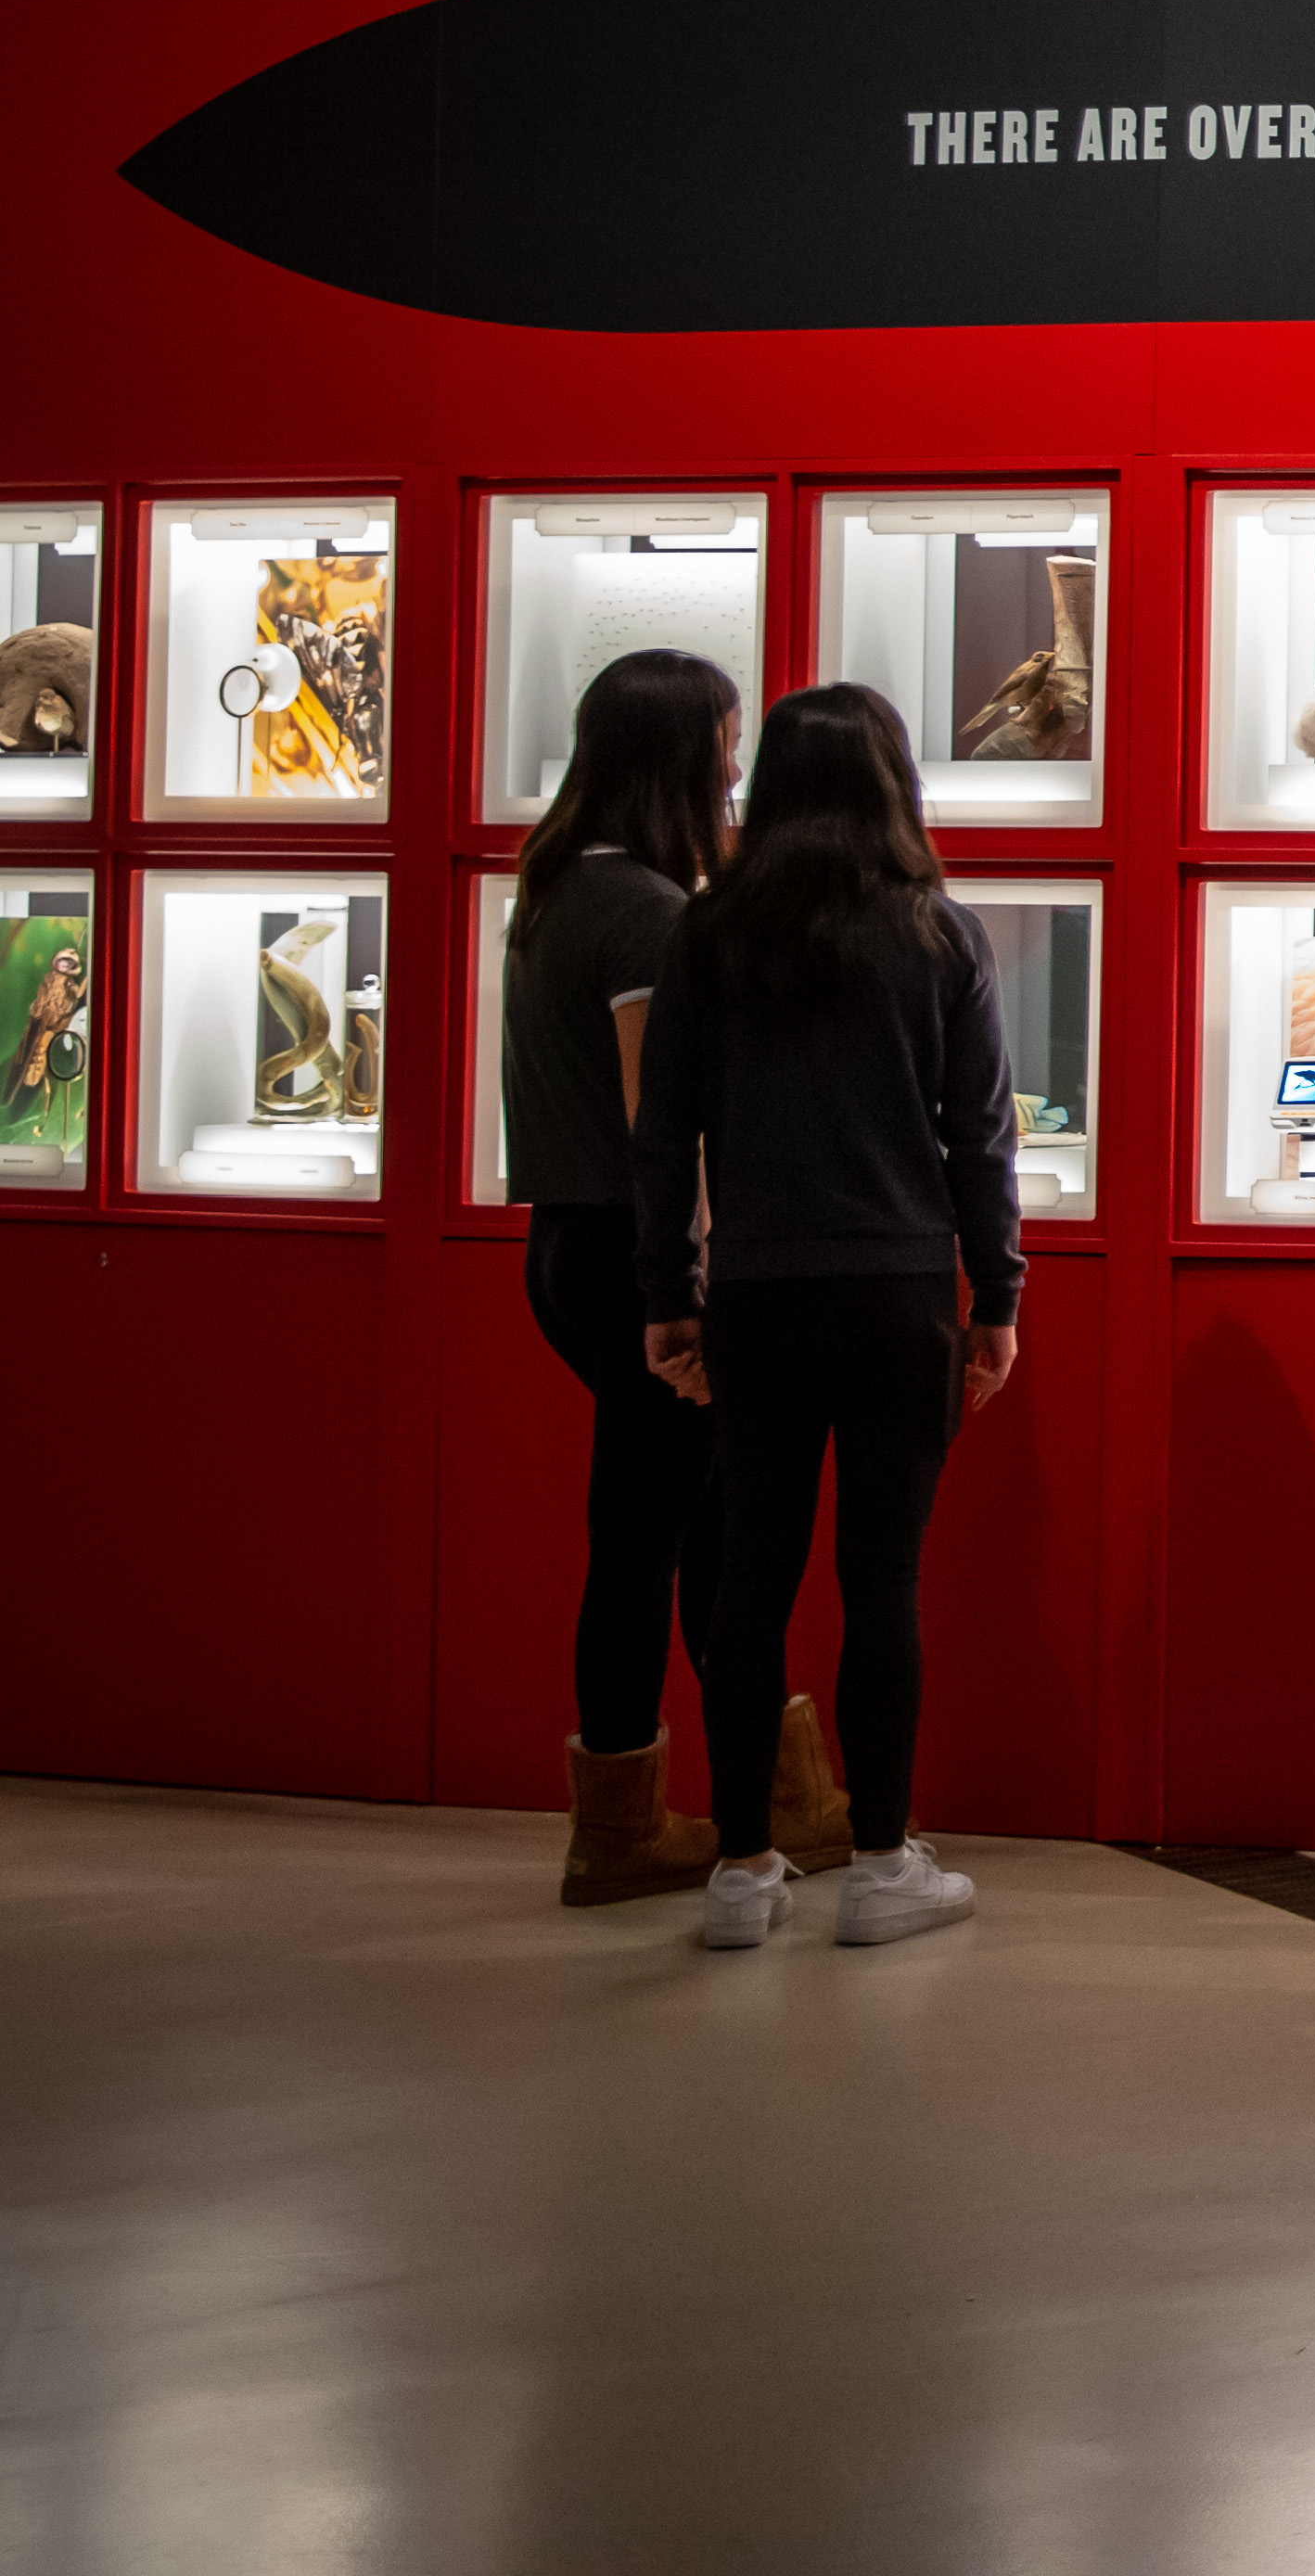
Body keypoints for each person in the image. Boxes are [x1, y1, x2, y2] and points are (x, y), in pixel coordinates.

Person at [634, 683, 1022, 1952]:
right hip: (900, 1288)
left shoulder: (708, 936)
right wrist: (998, 1293)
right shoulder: (936, 935)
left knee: (752, 1575)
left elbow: (663, 1136)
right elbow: (980, 1138)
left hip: (757, 1289)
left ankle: (742, 1869)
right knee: (883, 1576)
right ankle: (877, 1863)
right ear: (891, 783)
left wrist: (667, 1296)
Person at [502, 648, 826, 1904]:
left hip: (572, 1248)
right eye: (725, 744)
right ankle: (635, 1825)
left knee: (693, 1527)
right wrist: (680, 1291)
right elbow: (664, 1120)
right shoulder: (647, 909)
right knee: (660, 1537)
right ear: (680, 759)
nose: (737, 769)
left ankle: (763, 1797)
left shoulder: (556, 886)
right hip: (634, 1258)